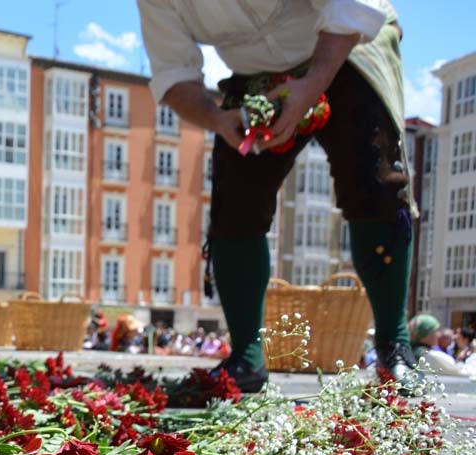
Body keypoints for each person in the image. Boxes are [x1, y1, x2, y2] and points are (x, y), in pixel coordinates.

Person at [139, 0, 416, 393]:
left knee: (375, 178)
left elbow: (350, 7)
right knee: (235, 201)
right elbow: (173, 74)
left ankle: (394, 346)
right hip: (257, 73)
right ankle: (246, 357)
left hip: (346, 42)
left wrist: (312, 83)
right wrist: (219, 120)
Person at [408, 314, 475, 378]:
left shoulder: (411, 352)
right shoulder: (430, 356)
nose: (439, 334)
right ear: (427, 335)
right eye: (436, 331)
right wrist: (474, 353)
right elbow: (467, 372)